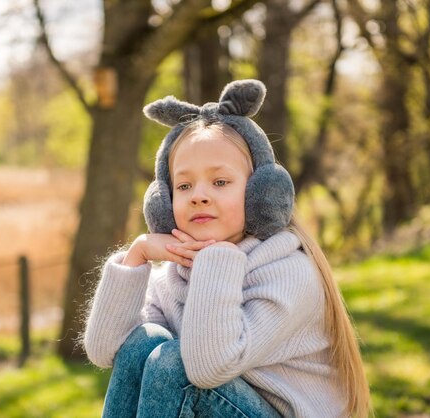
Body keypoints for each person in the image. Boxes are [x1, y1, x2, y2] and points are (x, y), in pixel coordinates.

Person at [83, 80, 371, 418]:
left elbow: (207, 369)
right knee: (140, 345)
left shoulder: (289, 274)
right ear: (163, 202)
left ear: (260, 193)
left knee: (174, 365)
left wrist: (215, 258)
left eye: (220, 182)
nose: (199, 195)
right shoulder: (175, 274)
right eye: (184, 185)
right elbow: (105, 351)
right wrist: (138, 254)